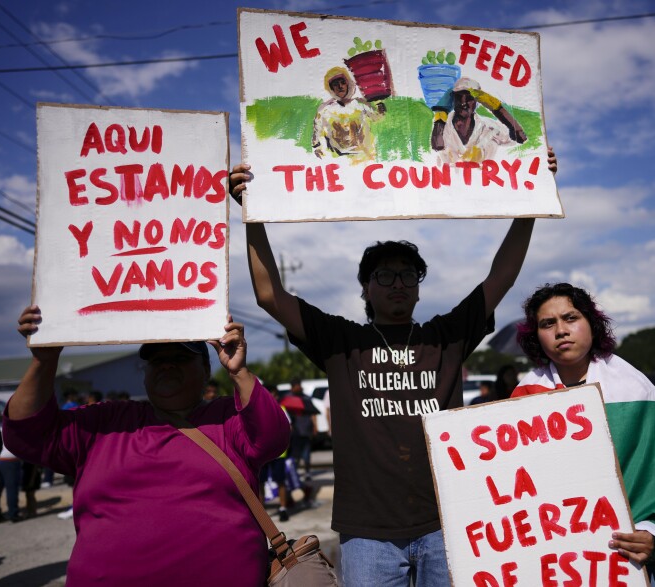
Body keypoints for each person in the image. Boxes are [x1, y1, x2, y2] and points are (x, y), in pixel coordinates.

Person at [229, 146, 556, 586]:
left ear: (420, 288)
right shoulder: (342, 341)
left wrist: (530, 201)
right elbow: (270, 297)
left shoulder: (446, 336)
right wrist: (253, 215)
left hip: (447, 520)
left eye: (408, 275)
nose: (397, 283)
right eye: (384, 276)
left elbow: (501, 277)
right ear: (366, 287)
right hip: (367, 532)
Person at [5, 306, 290, 586]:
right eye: (156, 359)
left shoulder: (228, 417)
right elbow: (26, 435)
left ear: (206, 369)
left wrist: (239, 372)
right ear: (145, 371)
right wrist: (44, 361)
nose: (167, 365)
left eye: (180, 357)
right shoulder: (109, 420)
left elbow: (272, 438)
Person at [512, 283, 655, 586]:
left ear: (591, 323)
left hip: (623, 562)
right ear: (537, 336)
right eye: (548, 323)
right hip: (555, 564)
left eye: (571, 318)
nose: (561, 330)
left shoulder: (635, 389)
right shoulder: (520, 399)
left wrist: (654, 536)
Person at [431, 77, 527, 163]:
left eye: (469, 98)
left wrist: (494, 105)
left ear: (478, 102)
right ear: (453, 100)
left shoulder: (489, 128)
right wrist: (440, 119)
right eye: (459, 98)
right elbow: (437, 144)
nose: (463, 103)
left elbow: (519, 138)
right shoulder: (443, 128)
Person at [313, 66, 386, 161]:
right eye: (335, 84)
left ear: (348, 84)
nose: (340, 87)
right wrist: (317, 148)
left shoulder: (360, 104)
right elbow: (317, 131)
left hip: (363, 154)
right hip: (336, 156)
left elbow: (376, 117)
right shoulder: (325, 109)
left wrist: (381, 108)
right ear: (331, 88)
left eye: (343, 83)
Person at [286, 378, 317, 478]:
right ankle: (295, 474)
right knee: (296, 455)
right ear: (292, 387)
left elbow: (313, 414)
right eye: (297, 385)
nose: (299, 387)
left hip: (306, 430)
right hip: (295, 432)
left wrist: (315, 427)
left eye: (299, 385)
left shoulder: (306, 398)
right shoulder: (287, 399)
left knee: (307, 454)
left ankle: (307, 472)